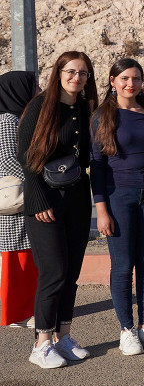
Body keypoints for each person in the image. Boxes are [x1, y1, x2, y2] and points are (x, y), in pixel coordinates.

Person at [20, 52, 98, 368]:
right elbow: (25, 157)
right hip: (45, 200)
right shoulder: (40, 107)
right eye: (71, 71)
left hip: (77, 199)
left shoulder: (85, 108)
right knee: (53, 271)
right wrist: (38, 200)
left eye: (83, 73)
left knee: (72, 273)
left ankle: (62, 337)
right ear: (59, 73)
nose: (76, 78)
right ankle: (41, 344)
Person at [91, 58, 144, 356]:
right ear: (113, 81)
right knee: (123, 266)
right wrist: (101, 209)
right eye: (124, 78)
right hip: (117, 197)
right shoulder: (103, 116)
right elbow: (97, 165)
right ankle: (126, 329)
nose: (130, 84)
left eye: (136, 78)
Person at [0, 72, 38, 329]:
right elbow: (8, 160)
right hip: (14, 203)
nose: (37, 90)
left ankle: (22, 310)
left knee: (25, 258)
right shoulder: (7, 120)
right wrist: (38, 168)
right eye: (32, 86)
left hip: (21, 199)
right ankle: (14, 313)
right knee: (16, 259)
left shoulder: (18, 117)